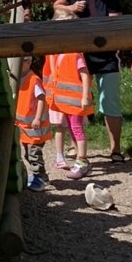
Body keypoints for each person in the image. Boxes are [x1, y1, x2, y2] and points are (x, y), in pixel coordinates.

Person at [53, 0, 126, 162]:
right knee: (75, 102)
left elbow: (116, 19)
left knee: (109, 101)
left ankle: (116, 149)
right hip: (79, 55)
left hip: (106, 55)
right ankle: (75, 146)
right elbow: (57, 5)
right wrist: (71, 8)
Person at [43, 16, 93, 178]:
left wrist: (85, 97)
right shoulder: (60, 54)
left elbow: (85, 75)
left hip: (76, 102)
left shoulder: (75, 54)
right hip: (67, 103)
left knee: (77, 129)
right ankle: (82, 161)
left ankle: (82, 161)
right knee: (72, 130)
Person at [15, 55, 51, 190]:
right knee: (27, 154)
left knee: (34, 154)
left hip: (36, 128)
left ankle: (40, 178)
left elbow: (41, 98)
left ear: (29, 62)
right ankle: (40, 176)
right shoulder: (18, 78)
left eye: (21, 61)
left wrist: (37, 118)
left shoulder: (34, 79)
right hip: (25, 128)